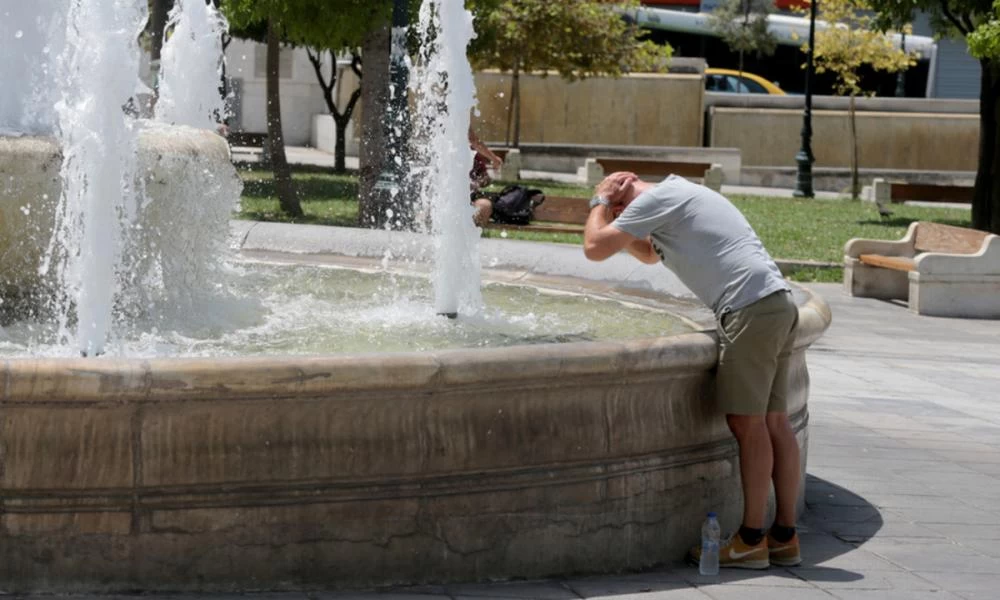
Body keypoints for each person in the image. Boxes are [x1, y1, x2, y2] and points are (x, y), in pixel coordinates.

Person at [583, 171, 802, 570]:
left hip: (748, 309)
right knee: (775, 422)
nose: (615, 216)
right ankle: (785, 537)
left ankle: (752, 539)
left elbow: (594, 248)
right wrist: (624, 227)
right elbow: (649, 254)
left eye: (618, 210)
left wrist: (598, 203)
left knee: (747, 424)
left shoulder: (654, 199)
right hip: (776, 301)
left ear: (624, 192)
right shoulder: (678, 194)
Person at [468, 128, 503, 227]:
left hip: (468, 198)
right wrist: (494, 159)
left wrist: (476, 183)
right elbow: (473, 138)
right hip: (444, 197)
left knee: (485, 206)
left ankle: (471, 238)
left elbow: (485, 178)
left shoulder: (472, 156)